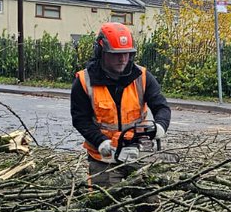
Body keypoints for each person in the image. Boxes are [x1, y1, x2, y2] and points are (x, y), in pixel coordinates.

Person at [71, 22, 171, 187]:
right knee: (106, 199)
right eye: (116, 54)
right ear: (102, 52)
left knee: (149, 196)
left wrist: (160, 126)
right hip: (104, 156)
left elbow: (161, 106)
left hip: (137, 150)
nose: (122, 59)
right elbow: (80, 119)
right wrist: (100, 141)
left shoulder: (142, 76)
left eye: (126, 53)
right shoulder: (84, 81)